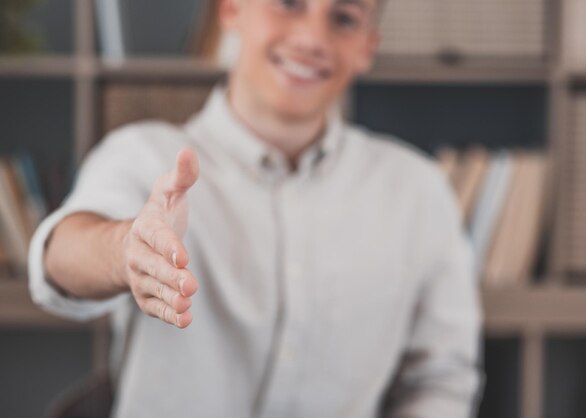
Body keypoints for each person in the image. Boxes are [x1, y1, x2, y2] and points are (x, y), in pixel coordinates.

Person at [29, 0, 483, 417]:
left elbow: (440, 379)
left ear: (367, 47)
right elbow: (59, 255)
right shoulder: (143, 155)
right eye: (288, 3)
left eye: (344, 18)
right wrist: (125, 249)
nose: (311, 39)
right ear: (231, 9)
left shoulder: (417, 192)